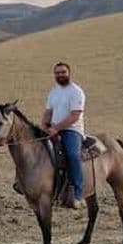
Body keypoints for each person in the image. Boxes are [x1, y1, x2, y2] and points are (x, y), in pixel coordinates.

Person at [42, 62, 86, 210]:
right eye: (57, 73)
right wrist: (44, 126)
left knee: (73, 155)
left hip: (72, 130)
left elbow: (75, 116)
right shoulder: (53, 92)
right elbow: (48, 112)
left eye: (63, 72)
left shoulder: (76, 91)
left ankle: (78, 195)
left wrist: (56, 128)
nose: (60, 75)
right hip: (53, 129)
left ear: (69, 73)